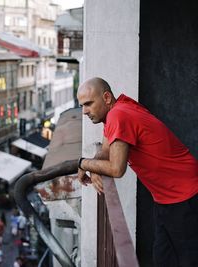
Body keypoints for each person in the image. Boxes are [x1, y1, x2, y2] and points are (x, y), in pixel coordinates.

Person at [76, 77, 198, 267]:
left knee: (188, 260)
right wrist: (93, 166)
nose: (84, 111)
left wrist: (83, 163)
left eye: (88, 104)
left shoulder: (119, 115)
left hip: (185, 195)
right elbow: (106, 152)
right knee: (163, 259)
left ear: (106, 97)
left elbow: (117, 169)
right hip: (165, 198)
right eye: (82, 106)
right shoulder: (118, 110)